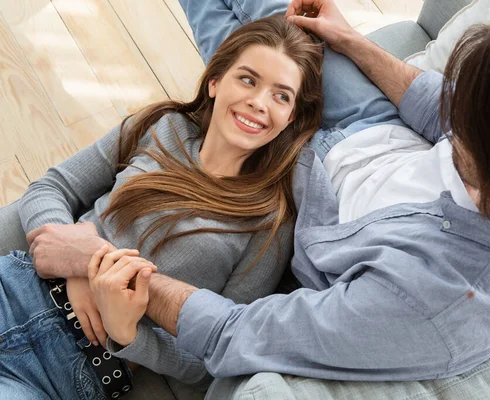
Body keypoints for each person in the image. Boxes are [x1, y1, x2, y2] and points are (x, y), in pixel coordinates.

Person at [84, 0, 490, 385]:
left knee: (243, 48)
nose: (456, 111)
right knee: (278, 17)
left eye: (470, 120)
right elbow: (443, 111)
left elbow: (237, 333)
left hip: (306, 182)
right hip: (375, 123)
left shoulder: (429, 305)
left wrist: (100, 258)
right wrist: (351, 40)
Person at [0, 16, 324, 399]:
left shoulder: (270, 224)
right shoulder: (163, 125)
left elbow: (216, 352)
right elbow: (50, 188)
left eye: (281, 95)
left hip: (69, 370)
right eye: (248, 79)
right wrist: (75, 264)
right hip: (15, 289)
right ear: (216, 81)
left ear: (291, 118)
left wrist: (129, 334)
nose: (258, 101)